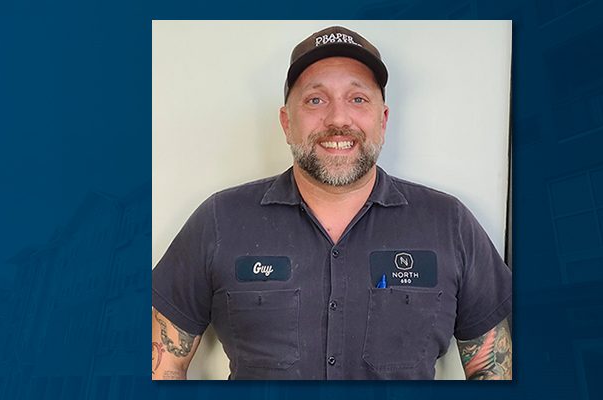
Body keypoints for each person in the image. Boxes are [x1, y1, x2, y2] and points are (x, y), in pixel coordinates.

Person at [152, 26, 512, 380]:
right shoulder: (219, 221)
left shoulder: (449, 224)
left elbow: (492, 370)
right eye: (315, 100)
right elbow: (161, 366)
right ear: (286, 122)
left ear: (382, 120)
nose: (338, 119)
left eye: (358, 99)